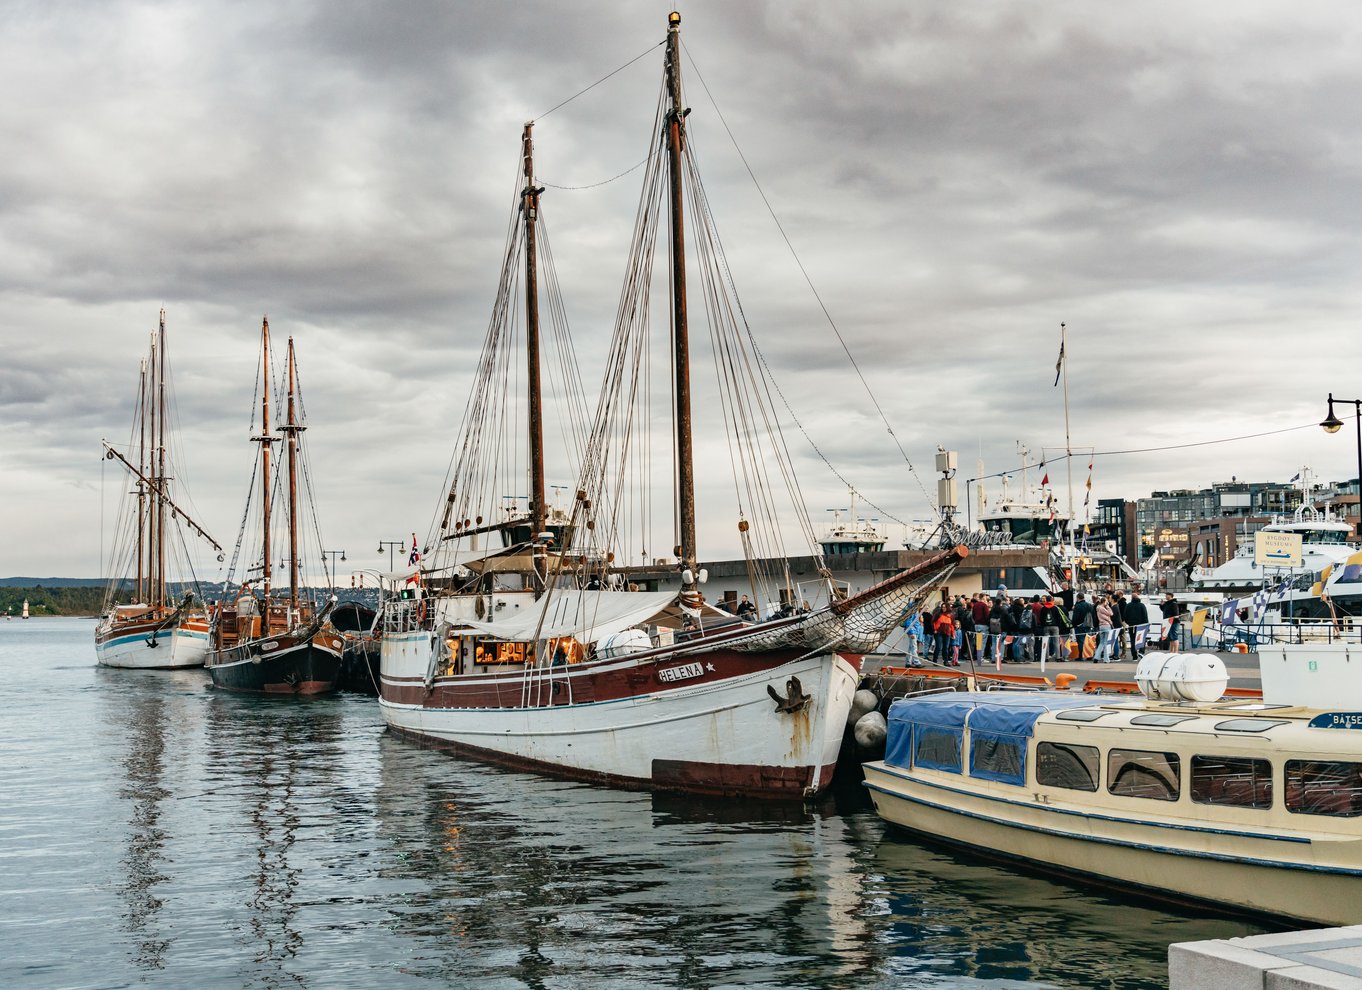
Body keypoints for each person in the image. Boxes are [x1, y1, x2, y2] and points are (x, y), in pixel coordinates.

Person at [1123, 590, 1150, 660]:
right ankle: (1141, 652)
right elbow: (1145, 616)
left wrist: (1129, 623)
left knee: (1132, 640)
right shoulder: (1142, 605)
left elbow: (1125, 616)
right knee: (1142, 639)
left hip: (1132, 626)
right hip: (1141, 626)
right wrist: (1147, 625)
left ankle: (1134, 656)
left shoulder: (1128, 606)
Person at [1071, 592, 1095, 660]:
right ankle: (1089, 655)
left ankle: (1081, 656)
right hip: (1089, 625)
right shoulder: (1090, 605)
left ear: (1077, 598)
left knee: (1080, 641)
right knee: (1088, 640)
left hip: (1080, 625)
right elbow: (1093, 615)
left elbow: (1075, 617)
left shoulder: (1078, 606)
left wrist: (1073, 624)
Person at [1095, 594, 1115, 662]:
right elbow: (1111, 613)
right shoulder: (1102, 608)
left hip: (1101, 626)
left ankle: (1096, 656)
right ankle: (1106, 659)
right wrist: (1108, 606)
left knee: (1101, 642)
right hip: (1106, 625)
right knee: (1106, 643)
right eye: (1106, 601)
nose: (1107, 602)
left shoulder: (1098, 608)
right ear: (1104, 601)